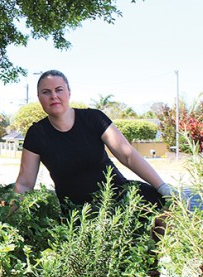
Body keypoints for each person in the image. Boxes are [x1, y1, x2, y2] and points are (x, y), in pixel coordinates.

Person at [14, 69, 172, 213]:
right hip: (78, 215)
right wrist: (11, 218)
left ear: (69, 92)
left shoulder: (93, 118)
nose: (53, 96)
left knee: (167, 212)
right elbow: (24, 184)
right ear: (39, 98)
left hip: (120, 199)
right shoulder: (37, 134)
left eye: (59, 90)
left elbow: (127, 155)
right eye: (46, 92)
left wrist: (162, 187)